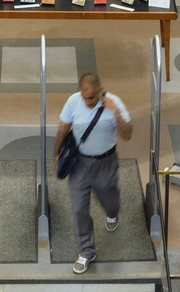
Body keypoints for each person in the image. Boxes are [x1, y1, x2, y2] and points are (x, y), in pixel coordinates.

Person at [54, 72, 133, 274]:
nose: (87, 101)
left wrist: (115, 112)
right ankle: (87, 251)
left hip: (105, 162)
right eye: (84, 96)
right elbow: (64, 127)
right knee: (79, 208)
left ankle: (113, 213)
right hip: (79, 163)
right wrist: (56, 151)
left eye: (91, 97)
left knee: (109, 199)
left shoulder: (114, 102)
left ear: (99, 90)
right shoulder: (73, 101)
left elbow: (128, 134)